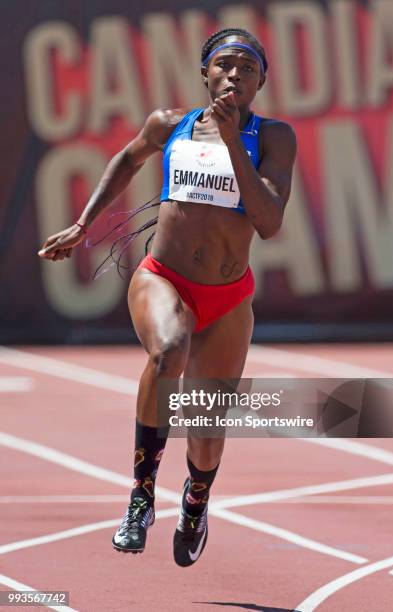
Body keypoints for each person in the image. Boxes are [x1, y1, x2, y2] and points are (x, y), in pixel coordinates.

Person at [38, 28, 297, 567]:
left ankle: (196, 503)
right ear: (205, 72)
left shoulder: (273, 138)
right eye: (224, 66)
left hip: (227, 297)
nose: (234, 76)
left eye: (247, 70)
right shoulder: (169, 124)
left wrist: (231, 143)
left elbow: (269, 222)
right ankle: (140, 496)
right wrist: (84, 225)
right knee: (168, 349)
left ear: (261, 83)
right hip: (165, 278)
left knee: (205, 433)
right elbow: (128, 161)